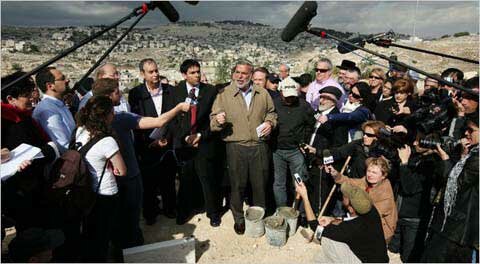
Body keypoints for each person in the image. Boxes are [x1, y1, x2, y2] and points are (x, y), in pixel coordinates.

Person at [92, 78, 190, 253]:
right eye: (116, 91)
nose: (120, 94)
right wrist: (178, 108)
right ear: (107, 96)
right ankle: (133, 250)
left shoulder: (89, 120)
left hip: (108, 180)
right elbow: (158, 122)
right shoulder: (120, 119)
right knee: (131, 217)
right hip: (128, 175)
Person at [210, 60, 277, 235]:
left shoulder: (262, 93)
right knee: (237, 186)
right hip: (235, 147)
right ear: (233, 73)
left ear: (251, 75)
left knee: (260, 185)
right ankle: (239, 220)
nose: (240, 76)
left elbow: (272, 112)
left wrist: (270, 123)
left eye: (244, 74)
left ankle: (259, 217)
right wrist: (218, 120)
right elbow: (212, 121)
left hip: (259, 146)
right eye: (237, 72)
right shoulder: (224, 94)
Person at [1, 71, 59, 232]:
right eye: (26, 95)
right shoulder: (4, 122)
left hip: (37, 186)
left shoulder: (26, 118)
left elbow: (47, 147)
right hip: (19, 192)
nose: (32, 98)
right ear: (10, 99)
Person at [170, 59, 222, 227]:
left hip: (204, 142)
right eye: (192, 73)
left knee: (207, 178)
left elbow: (212, 120)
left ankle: (213, 213)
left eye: (198, 71)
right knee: (186, 179)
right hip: (184, 145)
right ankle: (184, 211)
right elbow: (172, 120)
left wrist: (201, 135)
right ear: (184, 75)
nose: (197, 75)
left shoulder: (210, 91)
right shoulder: (175, 92)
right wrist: (184, 138)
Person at [74, 95, 126, 261]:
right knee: (107, 235)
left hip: (87, 192)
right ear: (106, 116)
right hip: (106, 193)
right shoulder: (107, 141)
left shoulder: (80, 131)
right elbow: (122, 170)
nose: (114, 115)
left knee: (92, 234)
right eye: (112, 112)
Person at [422, 116, 479, 262]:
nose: (466, 133)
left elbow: (456, 184)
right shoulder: (472, 154)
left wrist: (446, 159)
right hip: (453, 227)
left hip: (456, 230)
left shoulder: (477, 159)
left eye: (471, 130)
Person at [128, 58, 177, 225]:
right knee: (149, 183)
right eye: (151, 72)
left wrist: (167, 138)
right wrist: (149, 143)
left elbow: (175, 119)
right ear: (142, 74)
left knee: (168, 180)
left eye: (156, 70)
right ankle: (151, 212)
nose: (155, 74)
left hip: (167, 145)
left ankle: (170, 208)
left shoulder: (171, 91)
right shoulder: (136, 94)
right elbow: (135, 122)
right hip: (147, 147)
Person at [296, 181, 389, 263]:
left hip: (365, 262)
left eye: (345, 195)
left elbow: (315, 226)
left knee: (327, 239)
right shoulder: (370, 209)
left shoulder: (350, 229)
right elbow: (350, 219)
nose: (343, 194)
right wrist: (332, 219)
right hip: (379, 259)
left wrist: (305, 196)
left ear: (351, 208)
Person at [327, 156, 398, 242]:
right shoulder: (365, 181)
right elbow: (350, 182)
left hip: (380, 231)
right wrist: (336, 174)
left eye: (374, 173)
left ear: (383, 176)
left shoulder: (386, 192)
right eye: (368, 171)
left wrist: (347, 212)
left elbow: (369, 214)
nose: (369, 174)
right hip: (362, 221)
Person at [271, 77, 315, 207]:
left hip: (296, 151)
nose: (290, 99)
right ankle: (282, 210)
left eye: (292, 97)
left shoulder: (304, 105)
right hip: (277, 150)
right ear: (280, 93)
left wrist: (303, 140)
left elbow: (310, 124)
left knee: (299, 181)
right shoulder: (273, 104)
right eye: (286, 97)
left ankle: (299, 210)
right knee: (279, 183)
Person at [33, 67, 75, 153]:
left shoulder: (59, 104)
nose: (67, 80)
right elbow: (62, 145)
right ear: (50, 86)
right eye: (62, 79)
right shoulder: (47, 110)